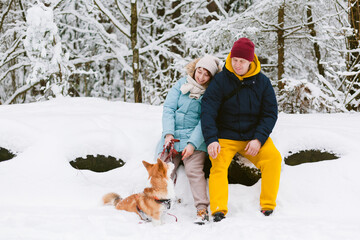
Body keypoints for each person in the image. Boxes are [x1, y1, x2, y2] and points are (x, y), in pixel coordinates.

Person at [201, 38, 282, 222]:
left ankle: (268, 205)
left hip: (253, 137)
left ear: (250, 61)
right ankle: (219, 209)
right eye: (235, 59)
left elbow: (270, 113)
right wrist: (211, 139)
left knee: (273, 159)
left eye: (242, 61)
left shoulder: (263, 83)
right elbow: (208, 110)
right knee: (218, 165)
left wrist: (259, 138)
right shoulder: (221, 80)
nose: (237, 64)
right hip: (225, 136)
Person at [157, 55, 221, 225]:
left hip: (195, 139)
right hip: (174, 136)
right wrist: (168, 134)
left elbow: (205, 121)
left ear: (211, 78)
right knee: (164, 167)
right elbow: (169, 108)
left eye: (206, 75)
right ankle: (158, 201)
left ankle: (201, 209)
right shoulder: (181, 84)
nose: (200, 77)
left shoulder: (211, 93)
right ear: (194, 69)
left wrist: (192, 144)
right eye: (199, 71)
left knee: (194, 171)